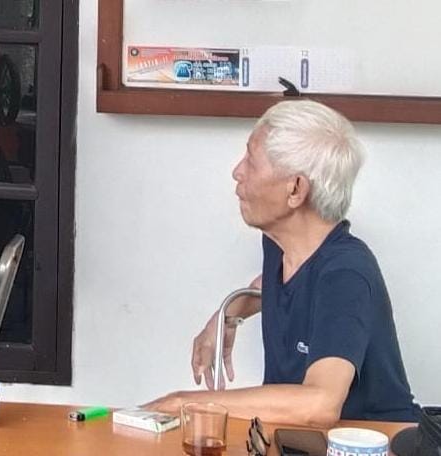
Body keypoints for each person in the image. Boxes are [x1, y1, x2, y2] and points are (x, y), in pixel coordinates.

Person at [144, 101, 418, 426]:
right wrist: (227, 315)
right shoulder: (281, 245)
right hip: (297, 440)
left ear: (296, 189)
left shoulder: (347, 274)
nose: (237, 172)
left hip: (378, 441)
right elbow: (278, 287)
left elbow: (320, 404)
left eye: (251, 161)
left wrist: (182, 403)